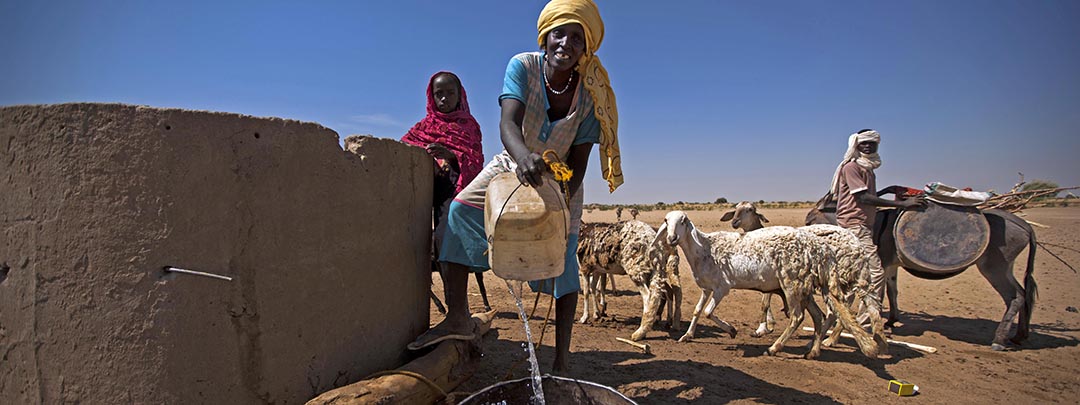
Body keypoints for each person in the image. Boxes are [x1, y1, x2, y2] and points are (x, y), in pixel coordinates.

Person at [410, 0, 622, 375]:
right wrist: (524, 157)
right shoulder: (522, 66)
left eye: (576, 38)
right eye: (559, 34)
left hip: (561, 179)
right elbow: (508, 123)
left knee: (564, 257)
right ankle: (458, 317)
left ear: (585, 47)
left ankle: (560, 360)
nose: (566, 44)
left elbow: (580, 158)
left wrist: (559, 203)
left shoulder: (591, 95)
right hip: (513, 162)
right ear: (545, 37)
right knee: (459, 213)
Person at [399, 71, 485, 311]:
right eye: (439, 94)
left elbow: (475, 162)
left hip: (454, 195)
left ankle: (457, 308)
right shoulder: (423, 127)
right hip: (423, 194)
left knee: (445, 240)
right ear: (431, 97)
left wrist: (451, 156)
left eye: (450, 93)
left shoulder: (468, 126)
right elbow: (405, 146)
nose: (444, 99)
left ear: (460, 95)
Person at [830, 129, 924, 317]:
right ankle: (866, 324)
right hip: (854, 226)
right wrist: (902, 204)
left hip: (862, 225)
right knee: (875, 273)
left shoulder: (868, 169)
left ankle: (839, 319)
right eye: (864, 142)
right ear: (856, 145)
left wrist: (887, 191)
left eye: (872, 143)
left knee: (849, 276)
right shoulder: (852, 167)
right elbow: (863, 197)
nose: (868, 146)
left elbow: (863, 195)